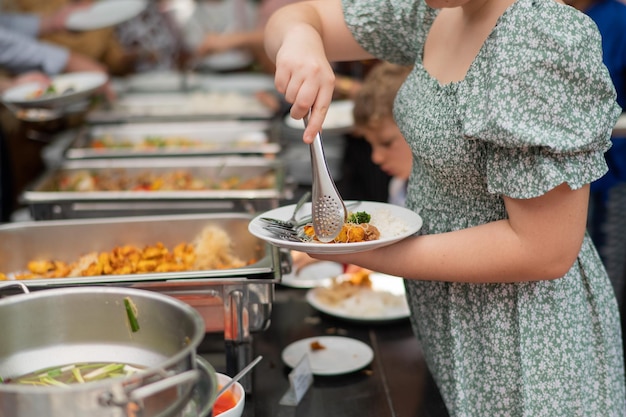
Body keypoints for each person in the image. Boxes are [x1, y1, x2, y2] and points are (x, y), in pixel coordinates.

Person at [264, 0, 626, 416]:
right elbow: (301, 14)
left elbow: (545, 250)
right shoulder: (432, 10)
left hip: (526, 341)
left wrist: (359, 248)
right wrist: (301, 39)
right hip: (456, 330)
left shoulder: (536, 35)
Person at [567, 0, 626, 309]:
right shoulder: (557, 17)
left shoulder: (617, 21)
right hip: (567, 179)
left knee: (604, 280)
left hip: (613, 178)